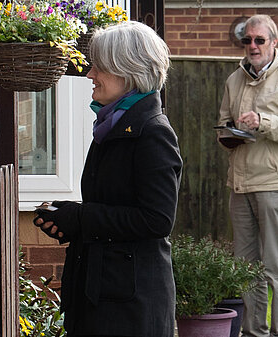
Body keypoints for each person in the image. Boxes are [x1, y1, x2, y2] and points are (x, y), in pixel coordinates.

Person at [33, 21, 182, 337]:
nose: (90, 75)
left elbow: (157, 220)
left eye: (99, 67)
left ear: (128, 71)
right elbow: (112, 205)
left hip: (130, 305)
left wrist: (82, 218)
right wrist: (68, 219)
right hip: (101, 294)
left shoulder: (152, 133)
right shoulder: (112, 126)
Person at [217, 14, 278, 337]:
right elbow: (223, 125)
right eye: (247, 40)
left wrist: (264, 123)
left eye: (260, 40)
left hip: (276, 184)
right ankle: (253, 332)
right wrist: (228, 135)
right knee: (246, 269)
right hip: (240, 184)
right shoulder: (234, 80)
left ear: (274, 42)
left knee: (277, 267)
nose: (253, 46)